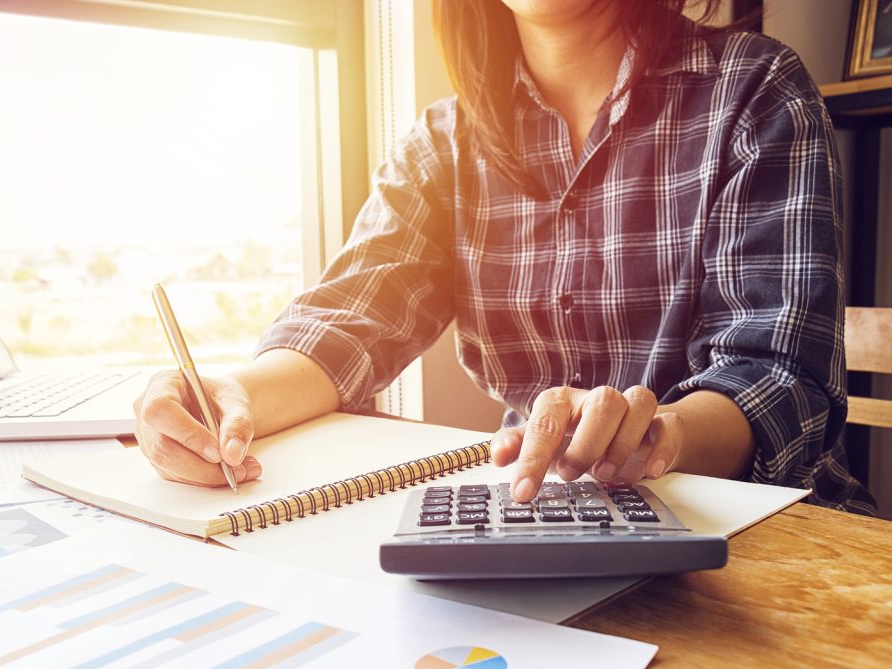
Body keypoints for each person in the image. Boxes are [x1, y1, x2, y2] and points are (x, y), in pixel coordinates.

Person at [133, 0, 877, 515]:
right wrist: (230, 397)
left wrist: (661, 436)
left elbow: (783, 380)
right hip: (537, 518)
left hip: (759, 534)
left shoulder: (754, 91)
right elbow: (347, 327)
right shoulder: (446, 143)